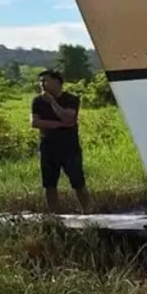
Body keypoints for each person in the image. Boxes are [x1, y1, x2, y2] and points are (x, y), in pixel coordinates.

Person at [30, 69, 90, 213]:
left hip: (69, 147)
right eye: (40, 81)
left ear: (57, 82)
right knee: (49, 185)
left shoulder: (71, 99)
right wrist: (60, 125)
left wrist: (52, 102)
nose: (42, 84)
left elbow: (68, 117)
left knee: (78, 183)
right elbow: (35, 123)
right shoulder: (37, 101)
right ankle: (55, 216)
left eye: (45, 80)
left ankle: (88, 213)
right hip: (48, 147)